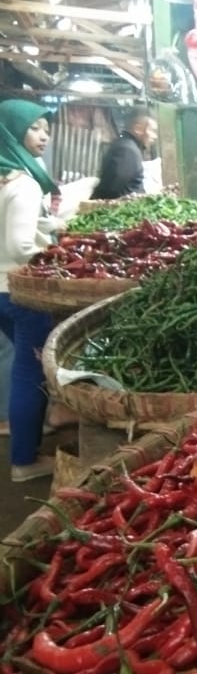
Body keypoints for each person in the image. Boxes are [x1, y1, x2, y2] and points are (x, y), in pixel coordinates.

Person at [0, 99, 62, 482]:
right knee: (30, 369)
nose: (44, 137)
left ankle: (39, 422)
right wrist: (56, 251)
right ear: (12, 131)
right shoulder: (22, 185)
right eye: (36, 127)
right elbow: (22, 247)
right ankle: (24, 460)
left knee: (28, 366)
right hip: (20, 291)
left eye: (46, 130)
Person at [90, 106, 158, 200]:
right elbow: (111, 191)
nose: (155, 136)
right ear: (138, 129)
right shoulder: (127, 150)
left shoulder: (126, 145)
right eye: (152, 130)